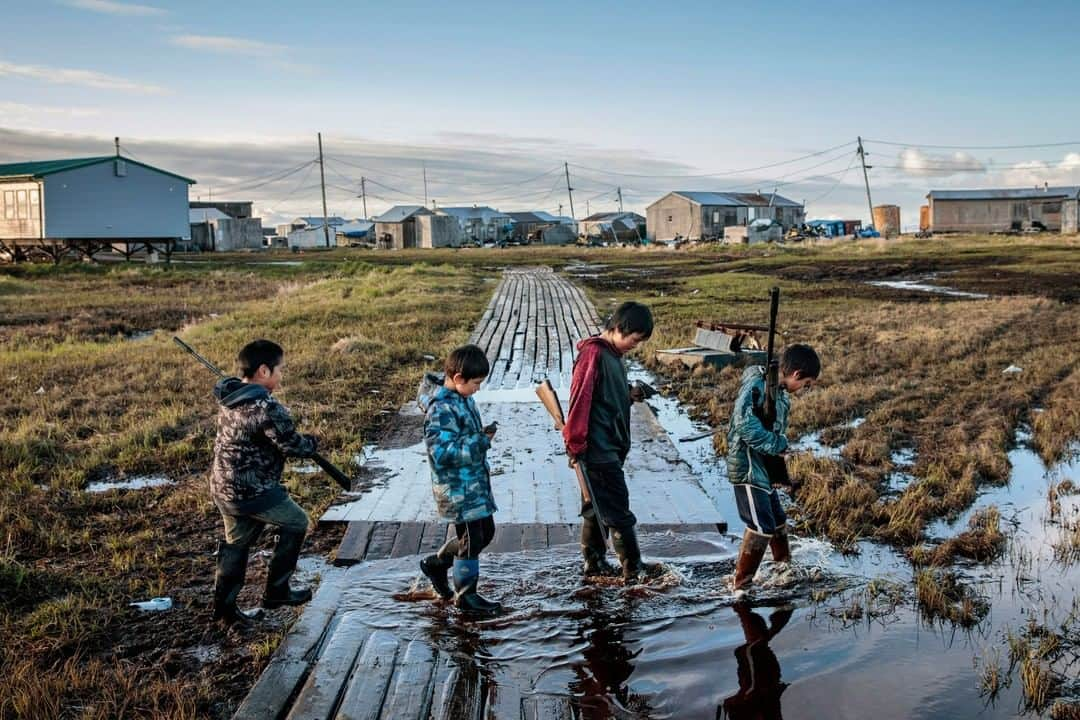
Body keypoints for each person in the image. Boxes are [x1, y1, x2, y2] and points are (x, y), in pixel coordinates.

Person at [210, 339, 319, 626]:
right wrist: (311, 442)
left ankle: (225, 610)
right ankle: (277, 591)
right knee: (297, 522)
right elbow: (293, 446)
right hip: (253, 489)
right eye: (280, 370)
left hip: (224, 486)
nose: (282, 376)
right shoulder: (265, 405)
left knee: (237, 543)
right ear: (263, 371)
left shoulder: (230, 395)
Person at [563, 301, 654, 582]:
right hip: (597, 450)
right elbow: (580, 400)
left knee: (594, 508)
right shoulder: (593, 355)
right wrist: (575, 445)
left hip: (608, 447)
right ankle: (633, 569)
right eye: (633, 340)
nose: (634, 346)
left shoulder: (613, 356)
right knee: (618, 511)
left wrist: (631, 394)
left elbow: (606, 396)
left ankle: (594, 563)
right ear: (616, 328)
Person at [726, 343, 820, 594]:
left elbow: (772, 426)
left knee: (777, 520)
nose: (804, 389)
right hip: (747, 467)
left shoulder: (779, 393)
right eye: (806, 384)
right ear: (797, 374)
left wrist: (778, 460)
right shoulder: (757, 385)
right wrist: (778, 444)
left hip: (763, 468)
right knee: (761, 526)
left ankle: (783, 569)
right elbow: (744, 425)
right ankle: (740, 587)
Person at [419, 344, 502, 615]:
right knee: (470, 539)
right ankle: (466, 596)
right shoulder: (440, 409)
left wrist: (480, 437)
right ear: (457, 379)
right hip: (456, 488)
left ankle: (438, 563)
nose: (478, 388)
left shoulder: (462, 398)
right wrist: (480, 442)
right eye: (476, 383)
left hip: (473, 483)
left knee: (485, 533)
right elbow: (441, 453)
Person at [718, 603, 793, 720]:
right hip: (759, 689)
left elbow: (730, 704)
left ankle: (741, 597)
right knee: (754, 648)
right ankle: (741, 597)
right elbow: (731, 704)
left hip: (760, 688)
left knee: (753, 646)